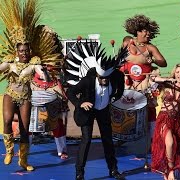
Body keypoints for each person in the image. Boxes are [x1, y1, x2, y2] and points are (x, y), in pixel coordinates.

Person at [0, 0, 61, 171]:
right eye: (22, 51)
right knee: (6, 121)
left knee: (25, 128)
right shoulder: (10, 62)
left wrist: (45, 73)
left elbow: (42, 74)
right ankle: (10, 151)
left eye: (27, 51)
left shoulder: (34, 63)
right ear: (17, 51)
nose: (24, 53)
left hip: (26, 97)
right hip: (11, 94)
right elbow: (1, 68)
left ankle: (24, 160)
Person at [66, 43, 127, 180]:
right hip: (88, 110)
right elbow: (70, 92)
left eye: (106, 78)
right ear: (97, 75)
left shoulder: (117, 76)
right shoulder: (88, 80)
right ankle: (79, 172)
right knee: (86, 139)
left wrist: (113, 98)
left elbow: (120, 91)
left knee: (108, 140)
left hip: (103, 110)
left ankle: (113, 170)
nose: (104, 80)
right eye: (101, 78)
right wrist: (81, 103)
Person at [119, 14, 167, 146]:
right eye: (145, 31)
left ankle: (153, 138)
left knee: (150, 111)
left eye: (149, 31)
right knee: (124, 109)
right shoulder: (127, 45)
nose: (148, 34)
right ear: (138, 31)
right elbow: (119, 62)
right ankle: (122, 136)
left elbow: (163, 63)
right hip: (128, 84)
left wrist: (154, 60)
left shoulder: (150, 48)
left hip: (144, 84)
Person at [151, 63, 180, 180]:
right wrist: (167, 78)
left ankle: (167, 170)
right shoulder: (167, 84)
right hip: (164, 119)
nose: (179, 74)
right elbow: (153, 78)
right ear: (174, 73)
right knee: (170, 143)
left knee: (173, 147)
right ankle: (170, 170)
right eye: (177, 72)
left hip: (177, 121)